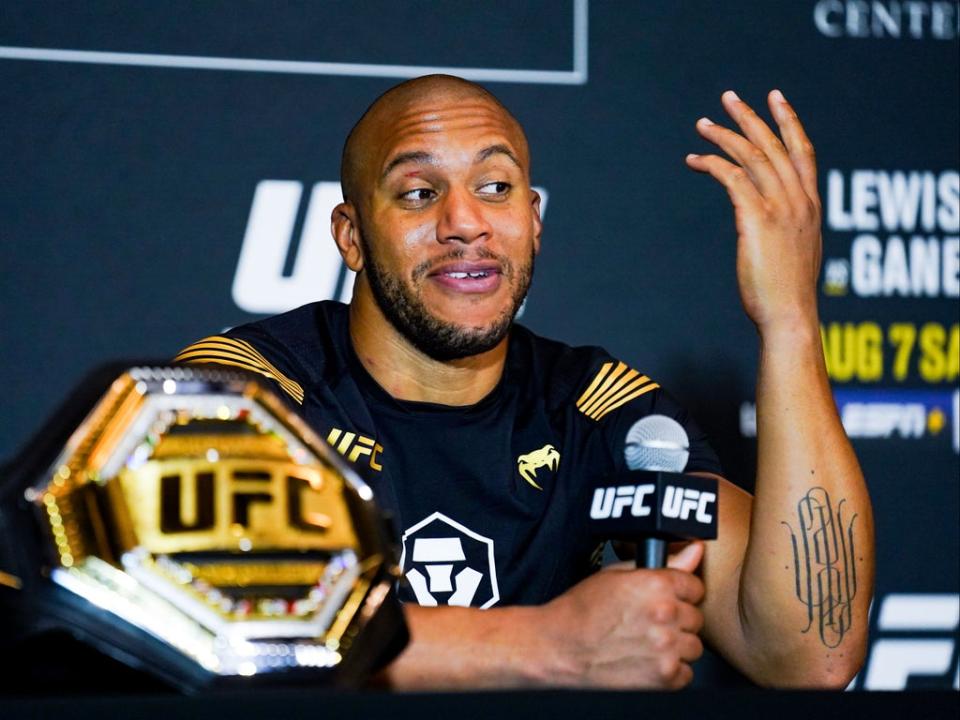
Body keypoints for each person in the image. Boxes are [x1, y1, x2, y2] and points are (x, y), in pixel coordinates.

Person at [176, 75, 874, 689]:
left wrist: (789, 319)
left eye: (495, 188)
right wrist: (551, 647)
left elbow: (810, 655)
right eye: (419, 193)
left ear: (533, 222)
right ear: (351, 236)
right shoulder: (246, 391)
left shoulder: (599, 409)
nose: (465, 223)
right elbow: (218, 619)